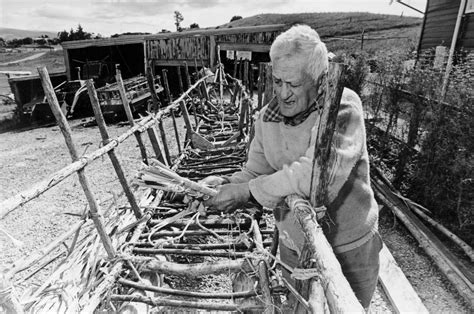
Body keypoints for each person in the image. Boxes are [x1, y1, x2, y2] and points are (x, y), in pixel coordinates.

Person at [202, 24, 381, 309]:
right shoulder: (266, 118)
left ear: (319, 80)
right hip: (293, 244)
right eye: (277, 81)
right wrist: (226, 183)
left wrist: (246, 192)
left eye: (294, 84)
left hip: (348, 247)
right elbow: (255, 173)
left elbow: (316, 174)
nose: (283, 93)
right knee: (298, 307)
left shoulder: (341, 106)